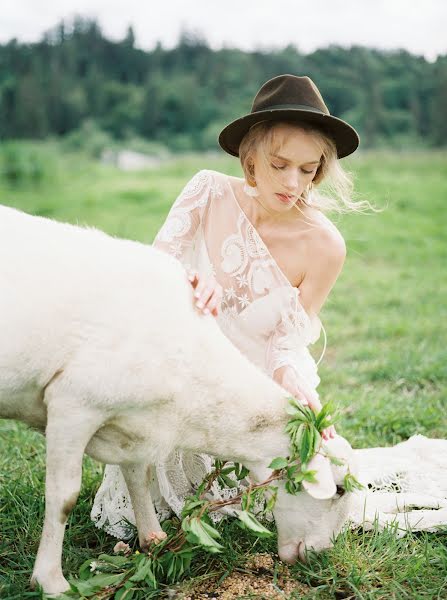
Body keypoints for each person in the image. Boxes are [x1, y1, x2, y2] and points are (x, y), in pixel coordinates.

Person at [91, 75, 447, 540]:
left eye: (307, 169)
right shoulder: (207, 191)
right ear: (250, 157)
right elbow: (156, 271)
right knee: (152, 507)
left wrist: (293, 383)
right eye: (279, 165)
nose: (292, 182)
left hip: (252, 386)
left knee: (256, 506)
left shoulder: (324, 245)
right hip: (184, 367)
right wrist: (187, 281)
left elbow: (286, 341)